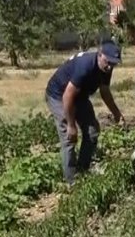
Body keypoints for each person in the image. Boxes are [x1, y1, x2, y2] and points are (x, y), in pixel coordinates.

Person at [45, 42, 125, 184]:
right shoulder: (85, 65)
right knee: (69, 138)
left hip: (80, 96)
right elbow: (67, 96)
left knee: (92, 132)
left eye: (114, 63)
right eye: (108, 62)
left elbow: (105, 91)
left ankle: (82, 171)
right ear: (100, 55)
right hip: (59, 95)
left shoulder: (107, 67)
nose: (110, 67)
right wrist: (71, 125)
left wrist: (117, 114)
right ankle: (72, 182)